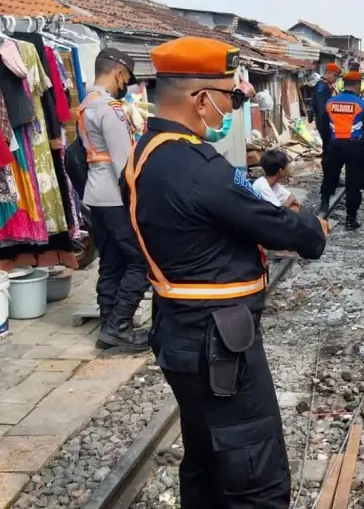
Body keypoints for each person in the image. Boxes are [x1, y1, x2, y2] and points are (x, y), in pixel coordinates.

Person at [121, 36, 328, 508]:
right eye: (231, 98)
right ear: (201, 98)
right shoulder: (198, 166)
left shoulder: (145, 151)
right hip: (217, 341)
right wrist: (312, 230)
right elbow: (268, 220)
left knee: (206, 454)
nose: (231, 109)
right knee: (253, 466)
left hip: (178, 328)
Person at [80, 48, 151, 351]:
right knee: (140, 260)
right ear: (120, 73)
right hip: (115, 196)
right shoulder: (110, 108)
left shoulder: (86, 104)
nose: (127, 85)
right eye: (127, 79)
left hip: (96, 196)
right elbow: (125, 165)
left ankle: (110, 321)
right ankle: (119, 325)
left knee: (111, 260)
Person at [319, 70, 364, 229]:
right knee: (353, 183)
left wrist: (326, 148)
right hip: (355, 147)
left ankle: (323, 206)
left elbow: (324, 128)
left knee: (330, 176)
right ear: (358, 85)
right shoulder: (362, 105)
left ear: (344, 85)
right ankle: (350, 219)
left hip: (334, 145)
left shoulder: (330, 102)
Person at [312, 62, 341, 158]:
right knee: (327, 141)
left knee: (328, 142)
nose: (336, 78)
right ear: (328, 73)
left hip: (326, 118)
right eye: (335, 75)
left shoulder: (327, 85)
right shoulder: (321, 85)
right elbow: (321, 105)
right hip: (323, 118)